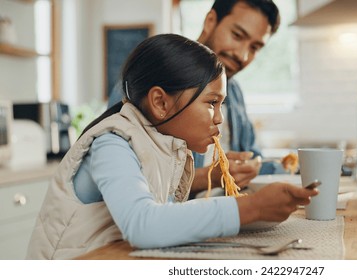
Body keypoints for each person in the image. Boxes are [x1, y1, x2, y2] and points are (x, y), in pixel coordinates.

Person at [25, 34, 316, 260]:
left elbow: (167, 221)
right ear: (161, 103)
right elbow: (142, 225)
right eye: (211, 103)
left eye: (222, 104)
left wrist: (259, 211)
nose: (219, 118)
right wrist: (250, 207)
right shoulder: (112, 144)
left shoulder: (169, 148)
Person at [108, 0, 286, 197]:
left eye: (255, 47)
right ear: (210, 21)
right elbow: (129, 181)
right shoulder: (150, 78)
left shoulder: (235, 92)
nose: (243, 55)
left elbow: (254, 154)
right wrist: (210, 176)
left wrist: (257, 165)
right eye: (237, 35)